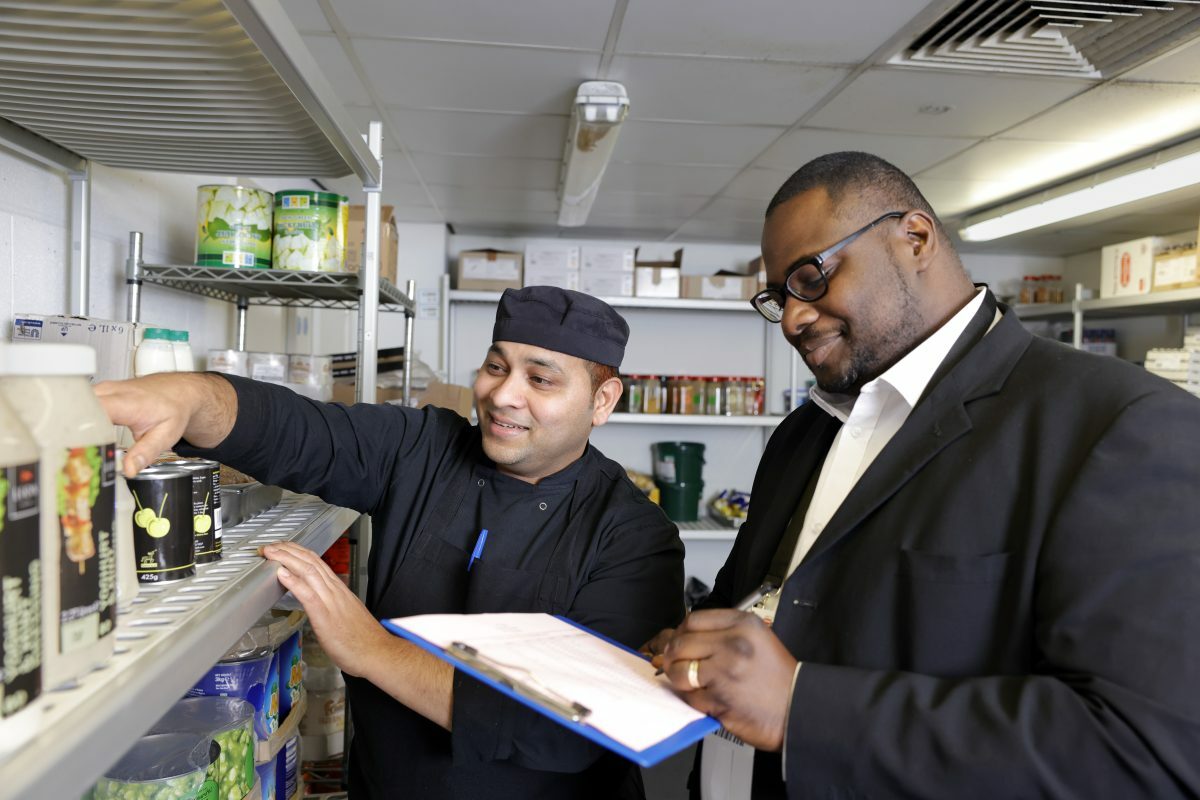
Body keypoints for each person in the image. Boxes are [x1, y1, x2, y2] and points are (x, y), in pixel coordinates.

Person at [650, 151, 1200, 798]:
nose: (794, 319)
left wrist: (803, 706)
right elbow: (771, 598)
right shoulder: (808, 431)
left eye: (811, 277)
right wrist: (694, 644)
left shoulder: (1119, 426)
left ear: (914, 237)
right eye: (778, 297)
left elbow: (1142, 750)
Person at [98, 286, 685, 800]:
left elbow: (568, 725)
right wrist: (189, 398)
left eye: (541, 379)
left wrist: (370, 648)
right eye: (496, 366)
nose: (504, 395)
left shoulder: (635, 537)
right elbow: (296, 432)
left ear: (602, 402)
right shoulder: (422, 447)